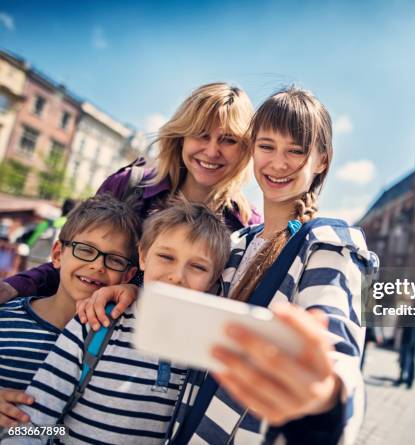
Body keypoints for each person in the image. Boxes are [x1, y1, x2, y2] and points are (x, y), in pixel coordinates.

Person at [79, 87, 378, 445]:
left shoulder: (329, 245)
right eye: (267, 146)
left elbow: (337, 356)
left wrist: (325, 397)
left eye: (295, 151)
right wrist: (135, 291)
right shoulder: (236, 244)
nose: (278, 163)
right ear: (252, 151)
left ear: (322, 160)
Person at [0, 82, 260, 304]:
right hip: (94, 341)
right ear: (181, 137)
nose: (212, 151)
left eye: (228, 140)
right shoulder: (129, 186)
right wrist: (15, 286)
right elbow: (75, 257)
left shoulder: (250, 227)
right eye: (201, 135)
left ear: (245, 149)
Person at [7, 201, 231, 443]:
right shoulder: (95, 323)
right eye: (166, 257)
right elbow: (35, 422)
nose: (177, 276)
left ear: (213, 279)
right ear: (143, 257)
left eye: (198, 266)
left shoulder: (203, 351)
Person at [0, 195, 140, 427]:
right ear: (57, 254)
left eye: (114, 260)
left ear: (127, 276)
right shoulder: (5, 318)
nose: (97, 265)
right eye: (85, 250)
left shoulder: (118, 348)